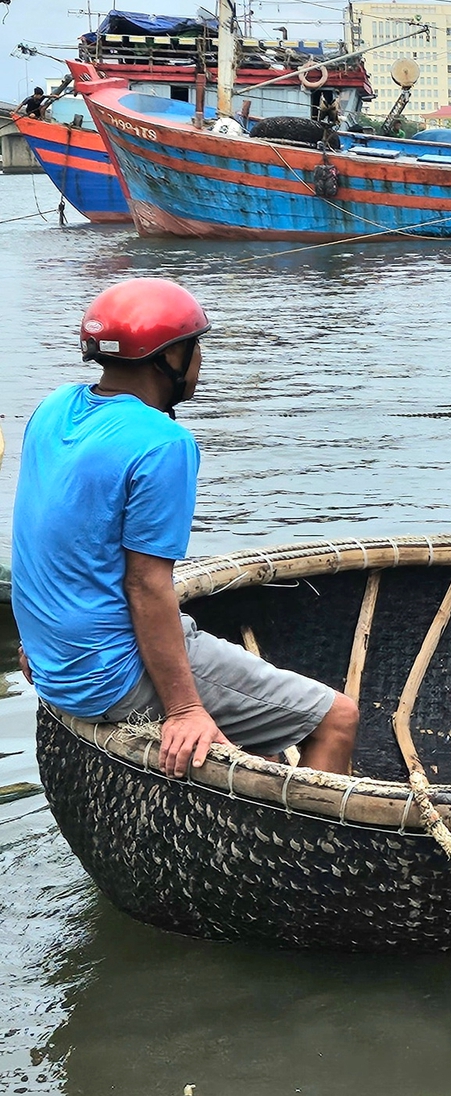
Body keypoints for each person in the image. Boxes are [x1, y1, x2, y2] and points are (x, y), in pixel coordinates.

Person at [11, 281, 359, 777]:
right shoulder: (163, 443)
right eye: (196, 347)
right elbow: (146, 584)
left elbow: (40, 536)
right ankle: (310, 855)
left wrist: (38, 642)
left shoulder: (52, 409)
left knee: (261, 730)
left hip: (56, 665)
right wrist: (184, 710)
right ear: (170, 356)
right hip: (110, 675)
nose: (199, 361)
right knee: (336, 718)